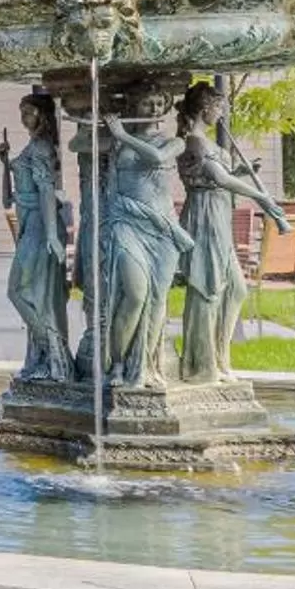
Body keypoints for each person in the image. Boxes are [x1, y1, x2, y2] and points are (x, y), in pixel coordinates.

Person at [176, 80, 287, 384]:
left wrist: (241, 172)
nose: (221, 113)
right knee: (207, 289)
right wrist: (260, 195)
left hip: (218, 215)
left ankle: (221, 358)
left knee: (235, 288)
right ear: (204, 108)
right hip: (204, 217)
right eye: (219, 107)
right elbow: (217, 177)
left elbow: (220, 177)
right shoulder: (194, 141)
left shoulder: (207, 143)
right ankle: (201, 365)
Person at [96, 113, 191, 388]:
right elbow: (78, 147)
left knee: (158, 298)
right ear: (133, 104)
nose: (152, 107)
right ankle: (117, 364)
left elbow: (158, 159)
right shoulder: (115, 143)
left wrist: (121, 134)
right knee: (136, 295)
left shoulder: (175, 143)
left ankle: (144, 367)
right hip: (126, 221)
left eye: (159, 102)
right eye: (145, 101)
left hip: (162, 228)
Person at [1, 92, 74, 383]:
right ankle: (47, 356)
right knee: (33, 293)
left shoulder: (42, 148)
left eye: (29, 112)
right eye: (22, 111)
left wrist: (53, 238)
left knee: (19, 291)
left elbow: (46, 191)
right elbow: (9, 198)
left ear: (43, 116)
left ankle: (53, 351)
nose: (24, 117)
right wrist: (5, 164)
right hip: (30, 222)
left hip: (41, 227)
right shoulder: (33, 146)